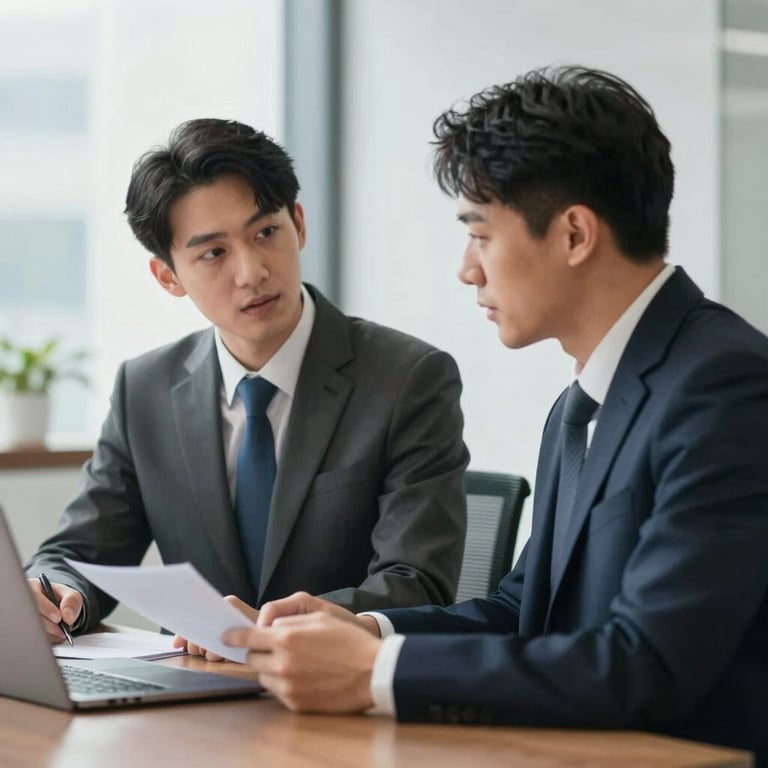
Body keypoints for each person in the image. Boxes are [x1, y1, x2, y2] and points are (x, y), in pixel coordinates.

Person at [220, 67, 768, 762]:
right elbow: (522, 612)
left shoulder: (724, 387)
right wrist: (368, 631)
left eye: (480, 234)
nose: (467, 269)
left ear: (574, 235)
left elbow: (645, 664)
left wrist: (375, 674)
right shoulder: (582, 404)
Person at [25, 118, 469, 647]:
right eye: (214, 253)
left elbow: (416, 581)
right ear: (168, 276)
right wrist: (55, 595)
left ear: (298, 224)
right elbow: (77, 554)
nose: (251, 272)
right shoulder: (143, 389)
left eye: (266, 233)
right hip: (190, 685)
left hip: (337, 682)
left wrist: (268, 630)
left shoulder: (407, 378)